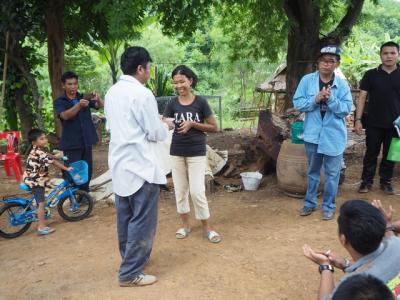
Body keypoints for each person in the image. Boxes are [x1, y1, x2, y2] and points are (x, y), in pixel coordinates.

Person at [105, 46, 174, 287]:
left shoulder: (112, 92)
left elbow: (116, 127)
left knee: (125, 217)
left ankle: (129, 261)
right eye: (149, 67)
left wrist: (157, 122)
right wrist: (165, 125)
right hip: (141, 165)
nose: (150, 72)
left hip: (120, 164)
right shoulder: (142, 94)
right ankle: (130, 273)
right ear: (140, 68)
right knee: (142, 220)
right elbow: (154, 133)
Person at [163, 65, 221, 243]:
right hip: (177, 152)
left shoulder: (201, 102)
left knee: (197, 192)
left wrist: (193, 124)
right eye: (175, 83)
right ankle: (186, 225)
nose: (178, 85)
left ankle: (207, 228)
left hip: (196, 152)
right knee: (180, 191)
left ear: (190, 81)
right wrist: (166, 122)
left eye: (182, 81)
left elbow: (214, 128)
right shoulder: (172, 103)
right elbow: (166, 121)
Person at [293, 45, 353, 220]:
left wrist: (331, 99)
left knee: (332, 174)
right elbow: (298, 103)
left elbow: (345, 110)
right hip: (312, 134)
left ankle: (328, 206)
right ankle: (309, 203)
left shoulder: (342, 85)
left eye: (331, 61)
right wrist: (315, 99)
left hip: (334, 136)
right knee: (313, 171)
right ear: (318, 62)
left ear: (337, 64)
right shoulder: (307, 81)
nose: (326, 64)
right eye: (323, 61)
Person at [302, 199, 400, 300]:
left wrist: (325, 266)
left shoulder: (355, 288)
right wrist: (346, 264)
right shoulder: (397, 243)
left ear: (343, 239)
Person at [355, 41, 400, 195]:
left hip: (397, 125)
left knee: (393, 153)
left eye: (392, 53)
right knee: (371, 153)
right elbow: (361, 97)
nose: (389, 56)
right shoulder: (371, 74)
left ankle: (386, 182)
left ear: (397, 55)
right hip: (374, 122)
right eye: (385, 53)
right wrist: (358, 120)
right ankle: (366, 182)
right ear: (380, 55)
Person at [54, 71, 103, 192]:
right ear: (63, 85)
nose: (73, 87)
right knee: (72, 170)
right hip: (71, 143)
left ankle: (84, 194)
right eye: (69, 84)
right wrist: (79, 106)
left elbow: (99, 105)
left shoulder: (83, 97)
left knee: (87, 169)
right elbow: (65, 116)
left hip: (86, 140)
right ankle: (73, 196)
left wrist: (98, 99)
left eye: (75, 84)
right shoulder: (60, 101)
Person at [23, 129, 72, 235]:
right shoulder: (39, 152)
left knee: (44, 195)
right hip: (36, 181)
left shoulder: (38, 150)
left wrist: (57, 156)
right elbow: (53, 162)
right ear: (34, 143)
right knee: (41, 203)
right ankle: (41, 227)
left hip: (34, 178)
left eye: (45, 138)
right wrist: (66, 168)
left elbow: (48, 156)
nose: (45, 140)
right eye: (42, 139)